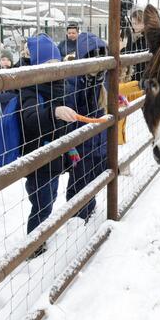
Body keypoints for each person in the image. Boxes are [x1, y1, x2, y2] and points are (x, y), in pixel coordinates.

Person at [19, 34, 80, 258]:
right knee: (42, 201)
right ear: (36, 66)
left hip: (54, 152)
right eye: (48, 66)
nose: (54, 70)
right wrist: (54, 112)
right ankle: (33, 245)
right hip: (39, 155)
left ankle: (39, 236)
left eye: (56, 64)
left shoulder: (58, 84)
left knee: (49, 197)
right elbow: (30, 117)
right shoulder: (30, 88)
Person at [64, 32, 109, 219]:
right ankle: (76, 215)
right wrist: (71, 145)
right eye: (92, 56)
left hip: (99, 141)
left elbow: (105, 103)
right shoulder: (74, 81)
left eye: (100, 56)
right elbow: (69, 114)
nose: (97, 63)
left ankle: (88, 209)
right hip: (81, 144)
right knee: (79, 180)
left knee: (94, 176)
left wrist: (117, 98)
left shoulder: (103, 78)